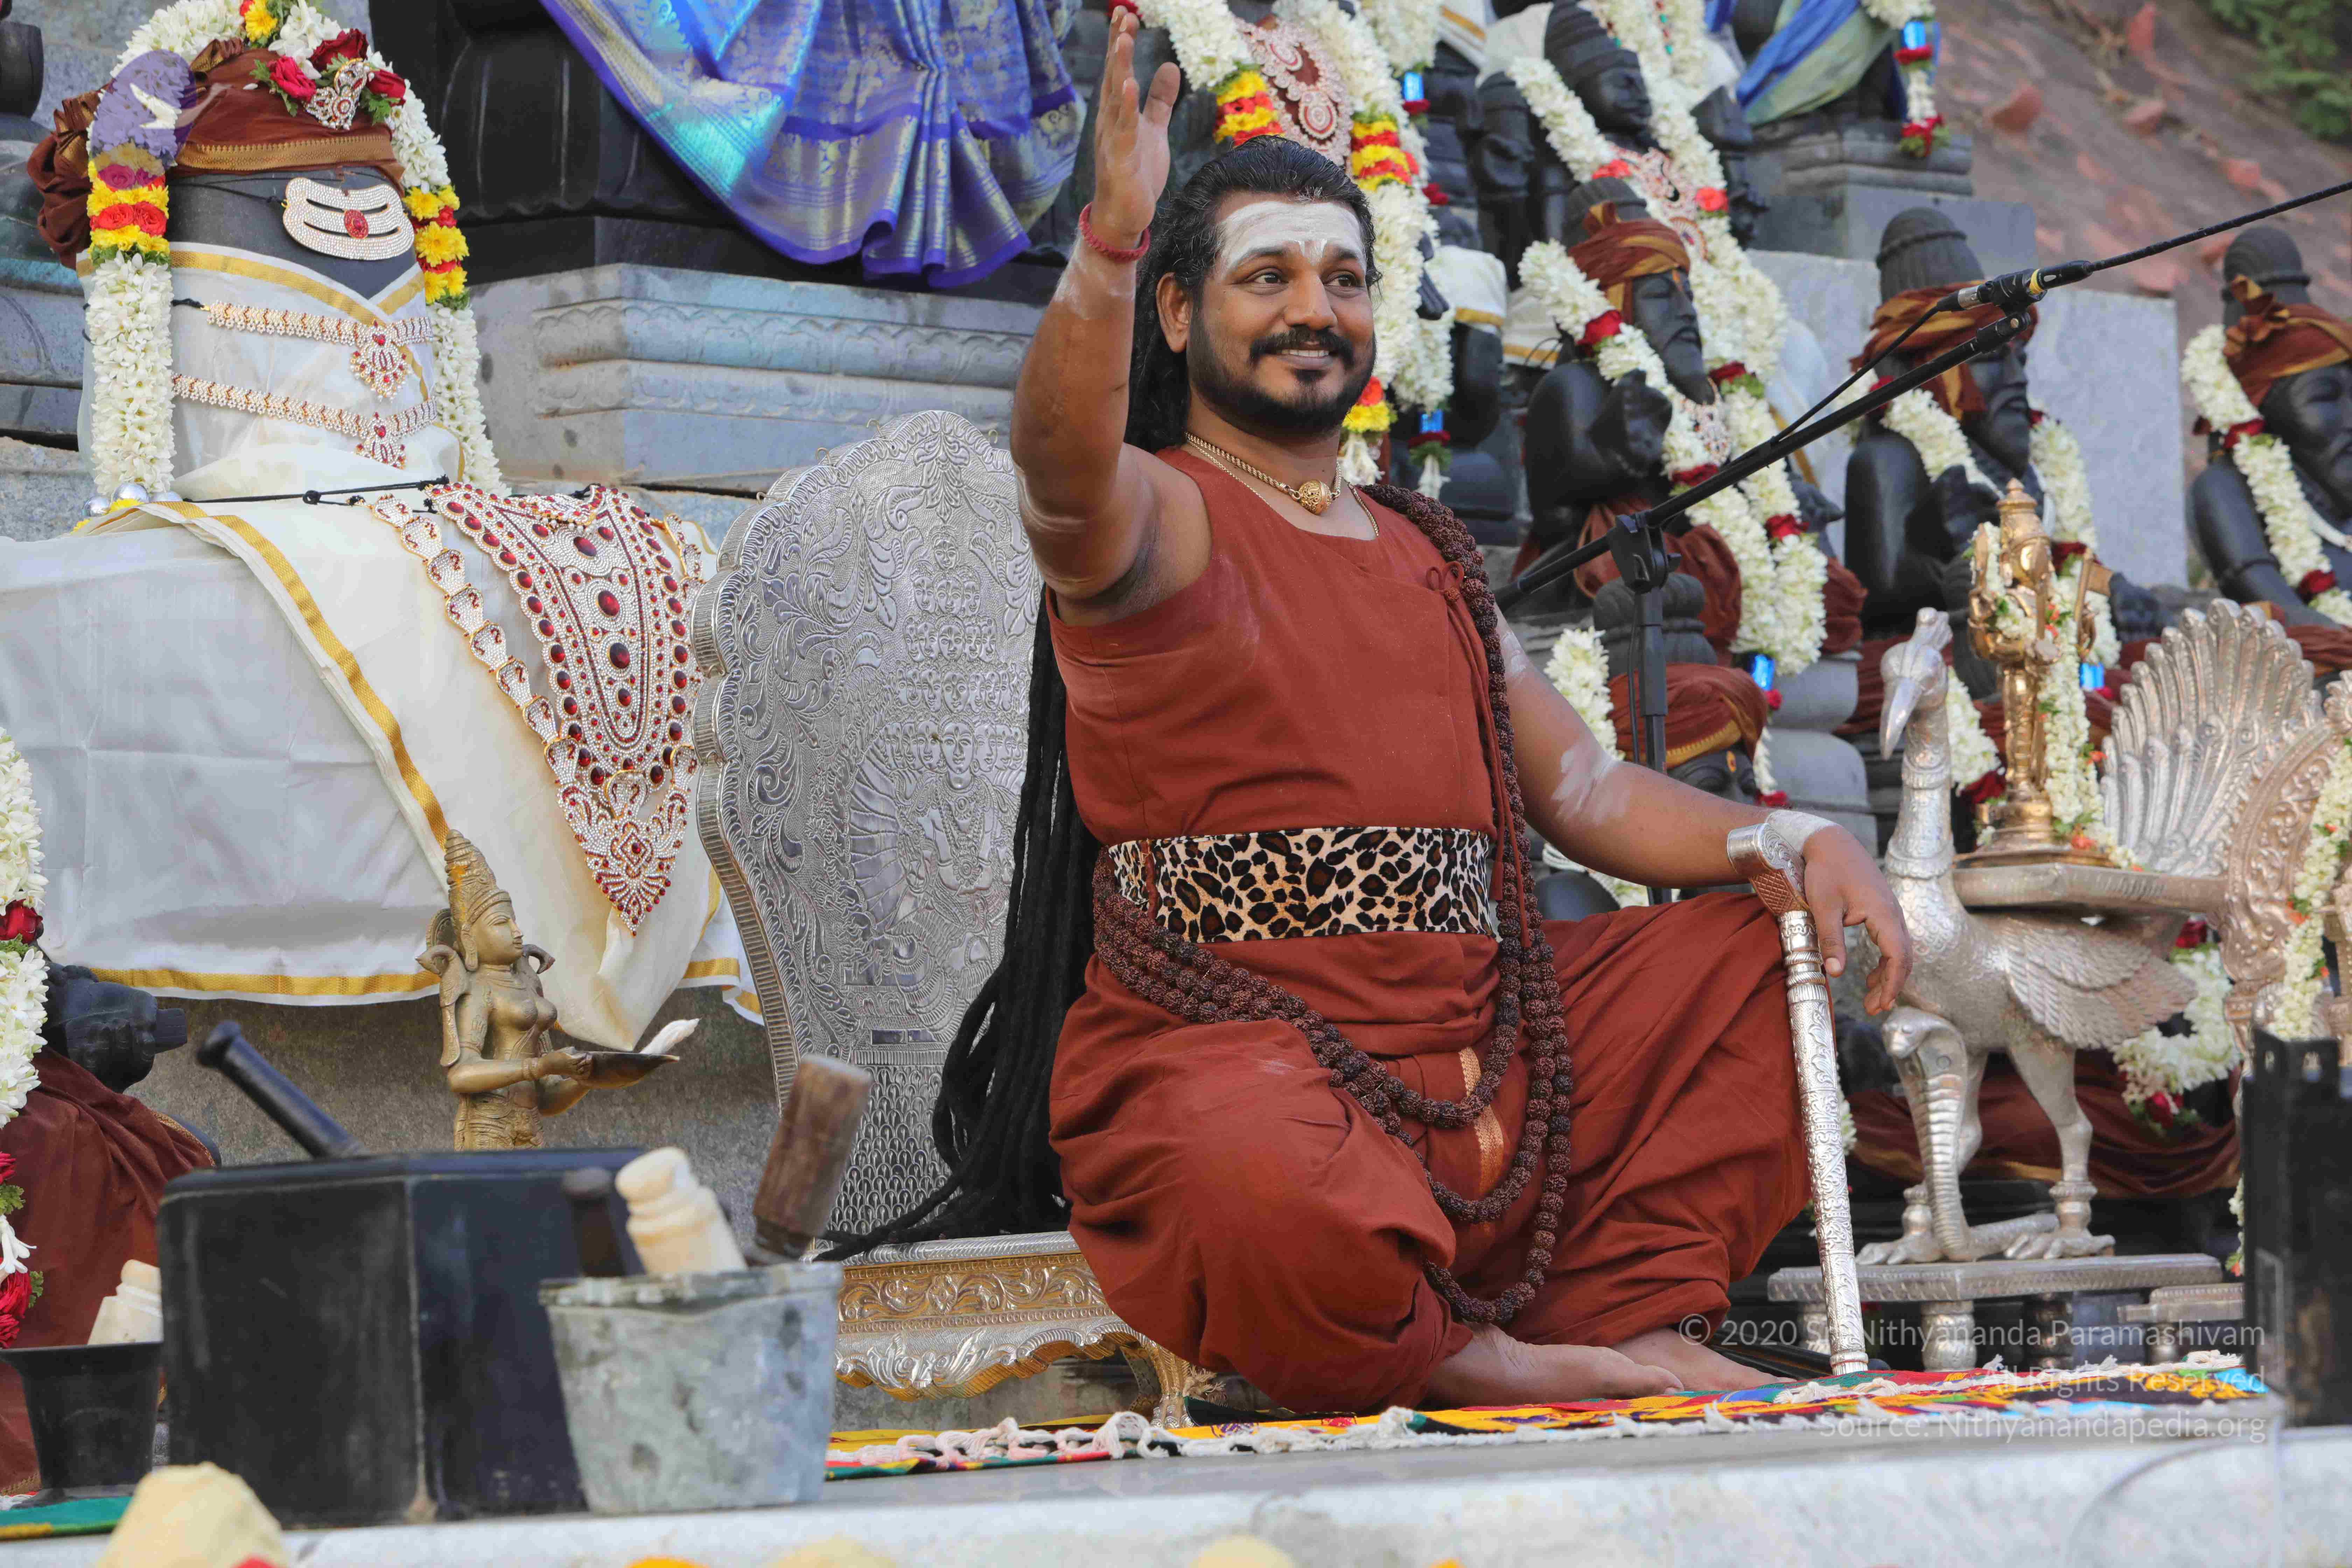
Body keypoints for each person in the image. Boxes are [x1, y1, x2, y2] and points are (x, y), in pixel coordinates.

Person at [867, 13, 1912, 1411]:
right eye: (1268, 276)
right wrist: (1108, 249)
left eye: (1345, 278)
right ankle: (1470, 1358)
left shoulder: (1430, 550)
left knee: (1750, 964)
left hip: (1491, 1071)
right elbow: (1061, 471)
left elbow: (1587, 792)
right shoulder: (1157, 517)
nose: (1315, 308)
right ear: (1178, 315)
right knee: (1242, 1157)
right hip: (1252, 1065)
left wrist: (1786, 841)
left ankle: (1624, 1316)